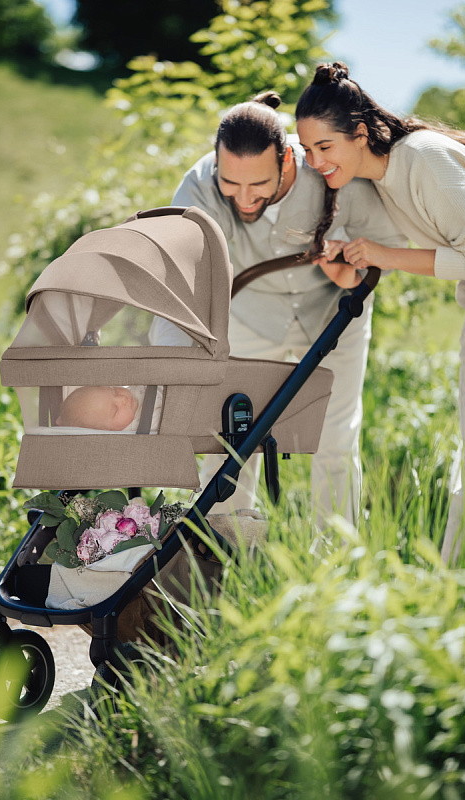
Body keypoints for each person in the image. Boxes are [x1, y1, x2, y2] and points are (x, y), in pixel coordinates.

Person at [150, 91, 407, 525]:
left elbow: (386, 248)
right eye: (231, 183)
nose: (244, 198)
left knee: (335, 439)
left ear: (287, 159)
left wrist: (350, 268)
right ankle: (223, 547)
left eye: (258, 184)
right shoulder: (199, 185)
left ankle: (336, 549)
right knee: (231, 441)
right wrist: (173, 364)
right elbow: (176, 280)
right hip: (247, 318)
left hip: (334, 317)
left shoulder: (335, 173)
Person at [295, 61, 465, 558]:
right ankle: (460, 589)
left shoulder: (424, 158)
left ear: (360, 134)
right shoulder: (380, 179)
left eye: (325, 147)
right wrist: (347, 253)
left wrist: (385, 256)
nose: (315, 161)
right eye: (307, 150)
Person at [56, 385, 163, 433]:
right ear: (108, 431)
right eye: (115, 409)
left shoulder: (133, 390)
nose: (122, 399)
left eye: (114, 391)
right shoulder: (141, 426)